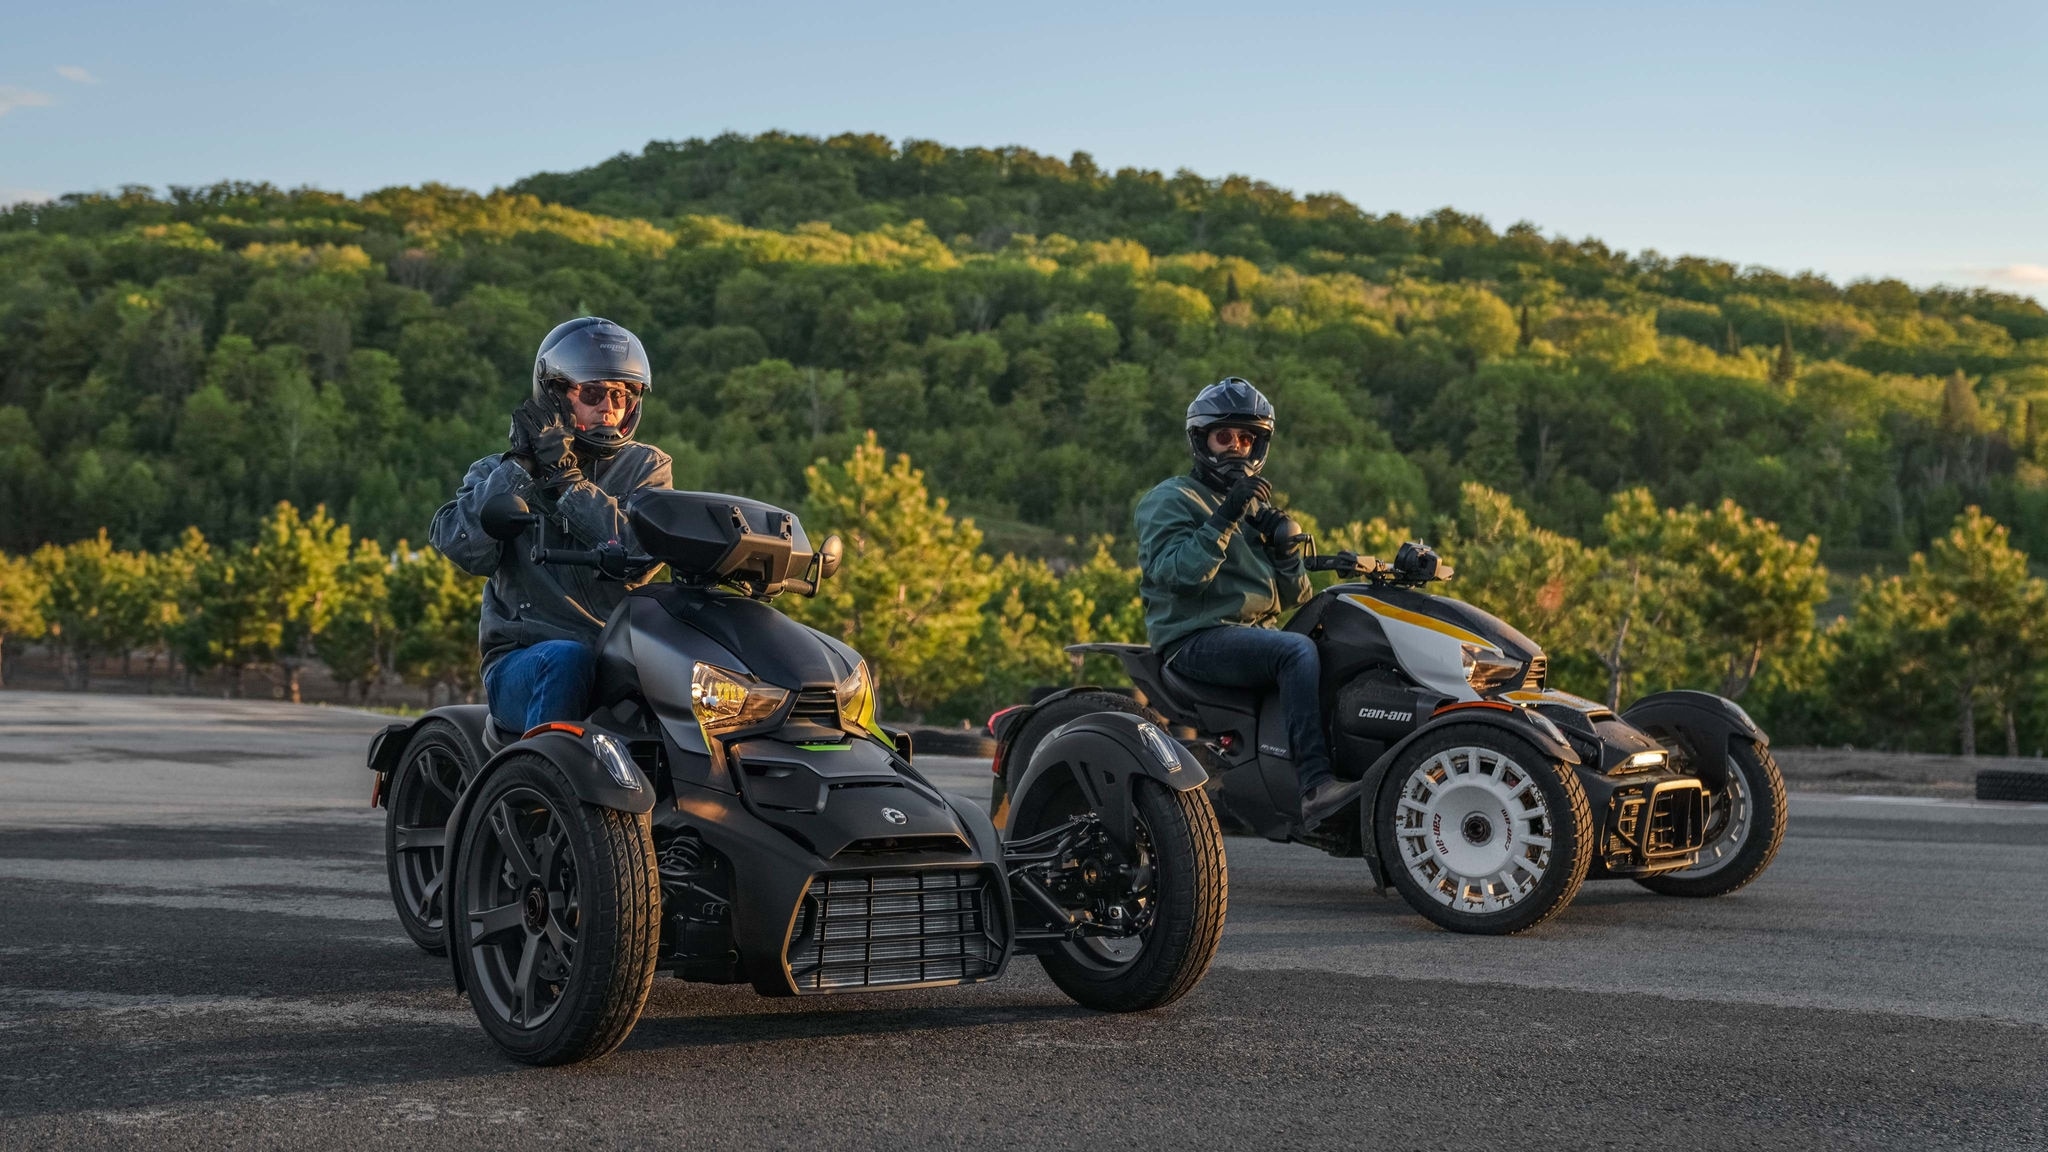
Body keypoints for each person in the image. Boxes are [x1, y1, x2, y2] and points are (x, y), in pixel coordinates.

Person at [430, 317, 672, 734]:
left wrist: (568, 483)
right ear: (556, 395)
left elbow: (638, 552)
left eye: (622, 393)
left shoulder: (647, 467)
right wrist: (523, 466)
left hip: (621, 657)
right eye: (593, 392)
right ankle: (545, 790)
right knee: (567, 657)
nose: (609, 406)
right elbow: (463, 546)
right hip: (528, 660)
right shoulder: (497, 471)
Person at [1134, 377, 1356, 824]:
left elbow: (1298, 598)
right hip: (1193, 639)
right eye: (1224, 436)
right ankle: (1314, 785)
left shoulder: (1252, 506)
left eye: (1246, 438)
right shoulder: (1171, 498)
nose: (1236, 447)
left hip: (1254, 636)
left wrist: (1284, 549)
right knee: (1296, 651)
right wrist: (1225, 515)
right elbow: (1181, 576)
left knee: (1342, 644)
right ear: (1202, 440)